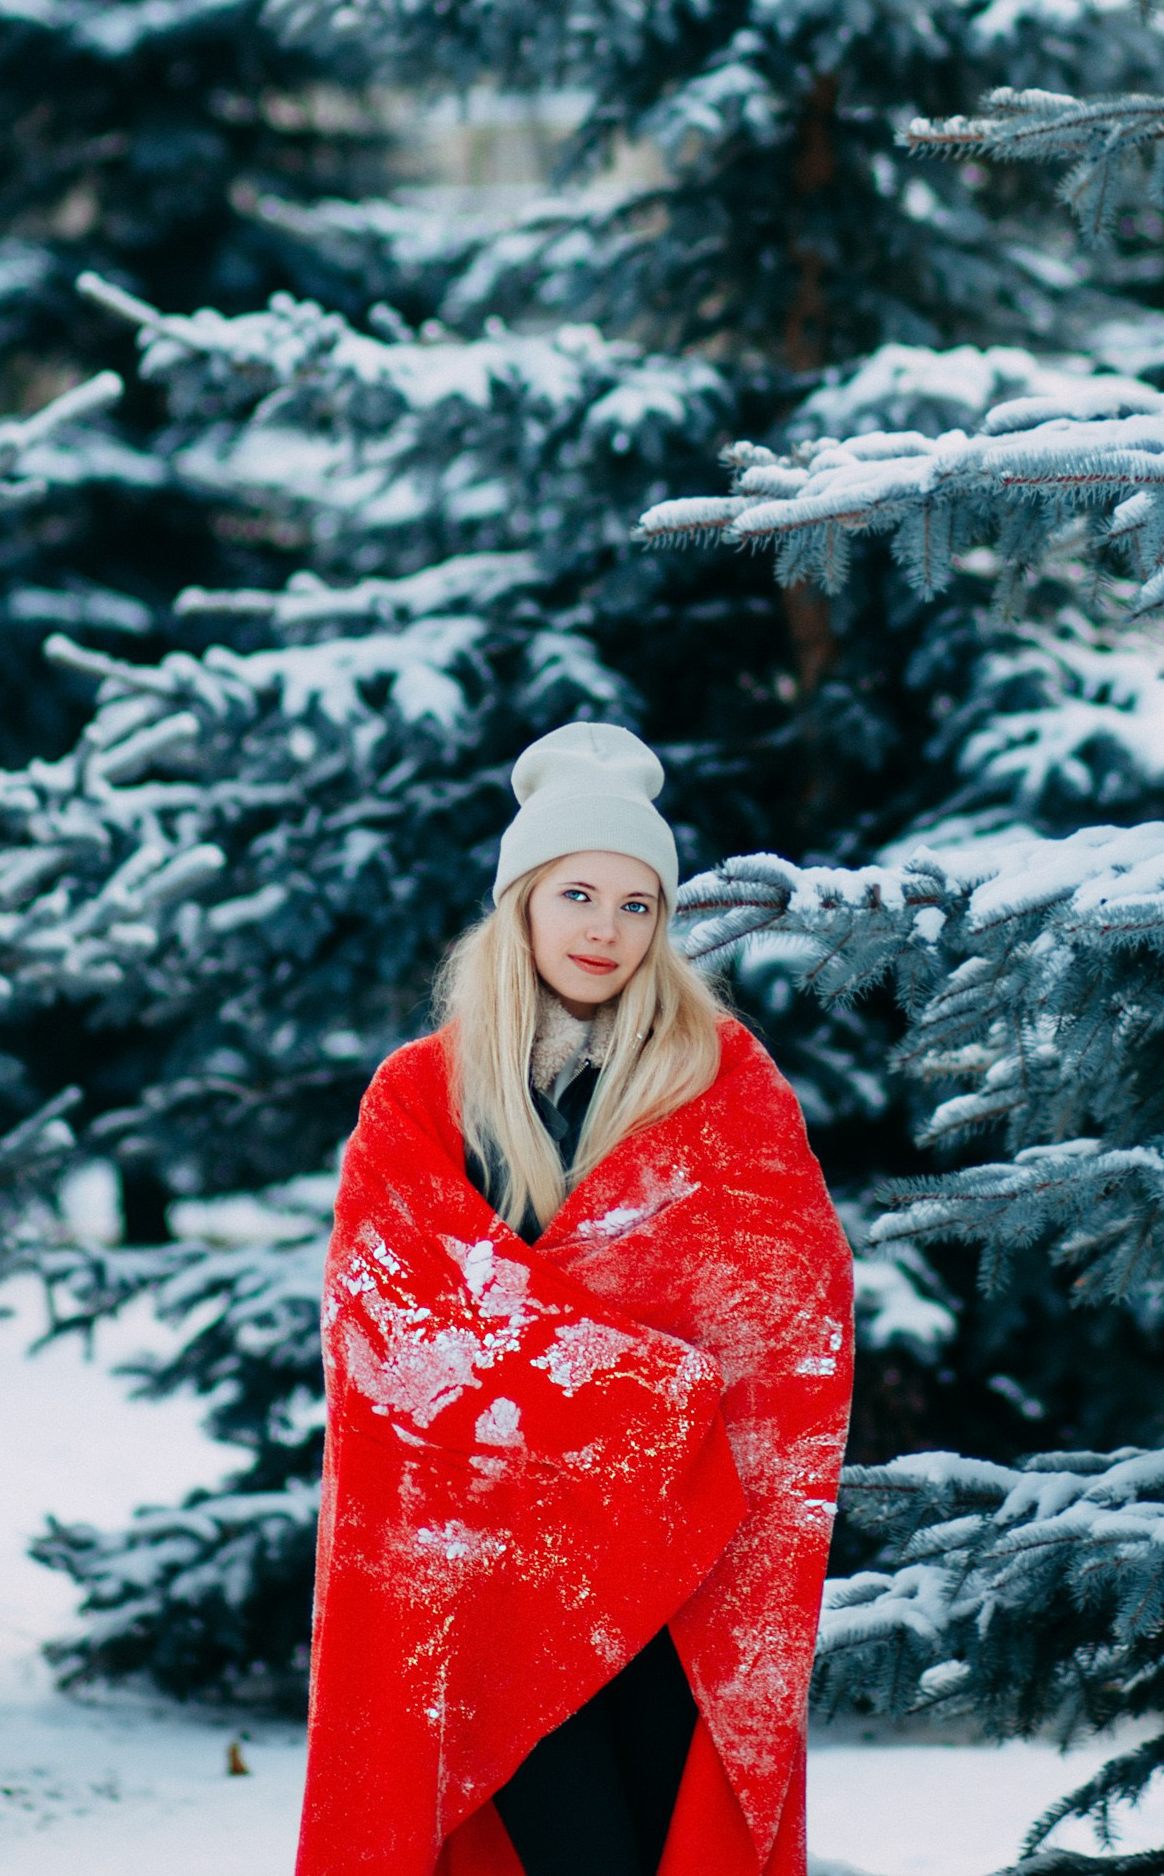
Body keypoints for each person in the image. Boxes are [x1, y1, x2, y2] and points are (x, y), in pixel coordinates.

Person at [294, 721, 855, 1876]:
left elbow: (789, 1308)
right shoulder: (422, 1096)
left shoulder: (722, 1084)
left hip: (674, 1573)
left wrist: (596, 1379)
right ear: (522, 905)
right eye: (577, 895)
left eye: (636, 904)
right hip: (494, 1578)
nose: (604, 929)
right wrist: (650, 1388)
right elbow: (392, 1328)